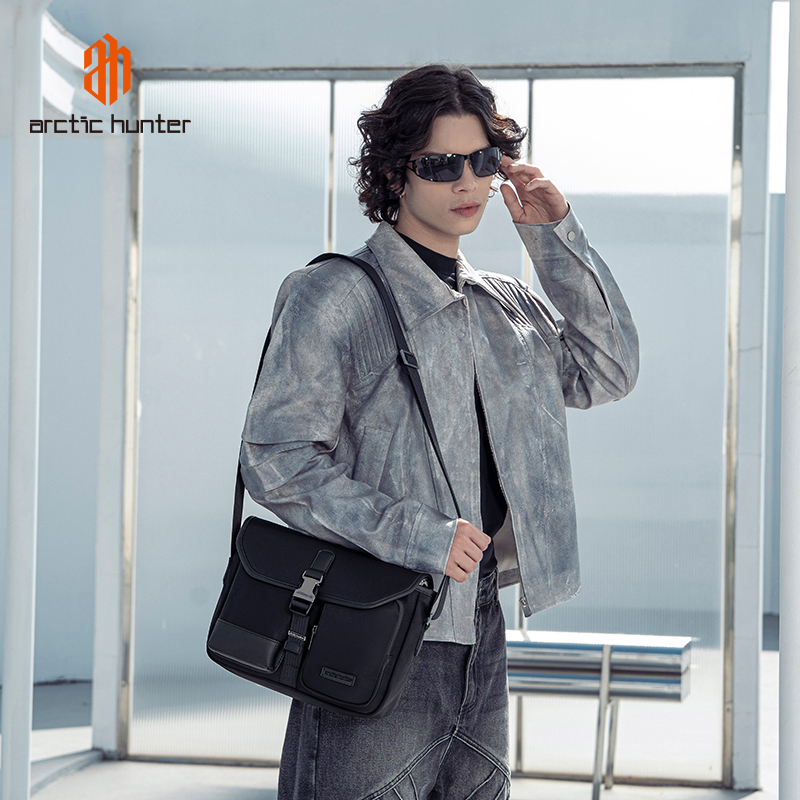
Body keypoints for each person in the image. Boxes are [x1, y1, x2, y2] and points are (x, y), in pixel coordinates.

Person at [239, 63, 638, 800]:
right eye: (440, 165)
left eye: (483, 160)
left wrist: (554, 235)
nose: (467, 182)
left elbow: (607, 369)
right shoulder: (336, 294)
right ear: (396, 172)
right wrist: (418, 533)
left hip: (480, 623)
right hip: (374, 620)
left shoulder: (505, 305)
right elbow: (277, 458)